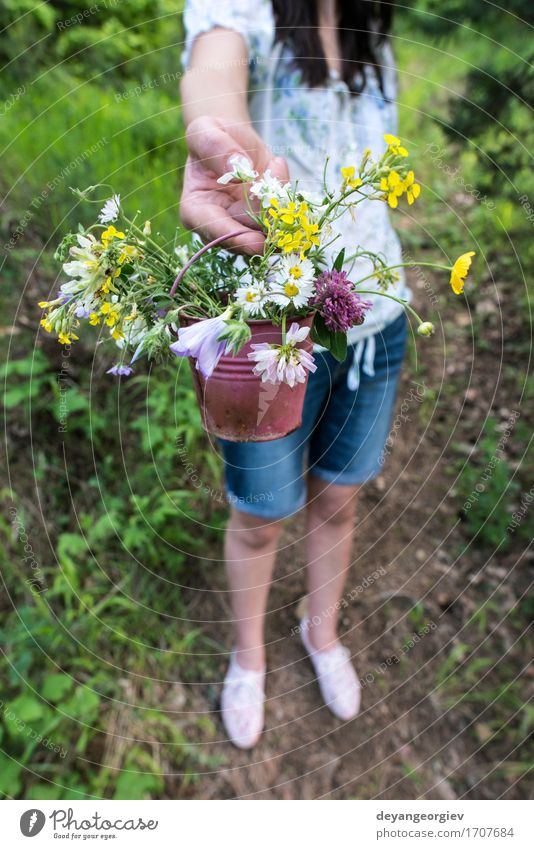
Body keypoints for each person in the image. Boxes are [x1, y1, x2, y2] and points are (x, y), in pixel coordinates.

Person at [180, 0, 409, 748]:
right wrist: (218, 143)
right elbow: (217, 66)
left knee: (339, 503)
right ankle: (248, 660)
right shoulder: (244, 8)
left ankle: (321, 631)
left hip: (376, 322)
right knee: (259, 512)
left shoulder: (374, 25)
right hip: (271, 330)